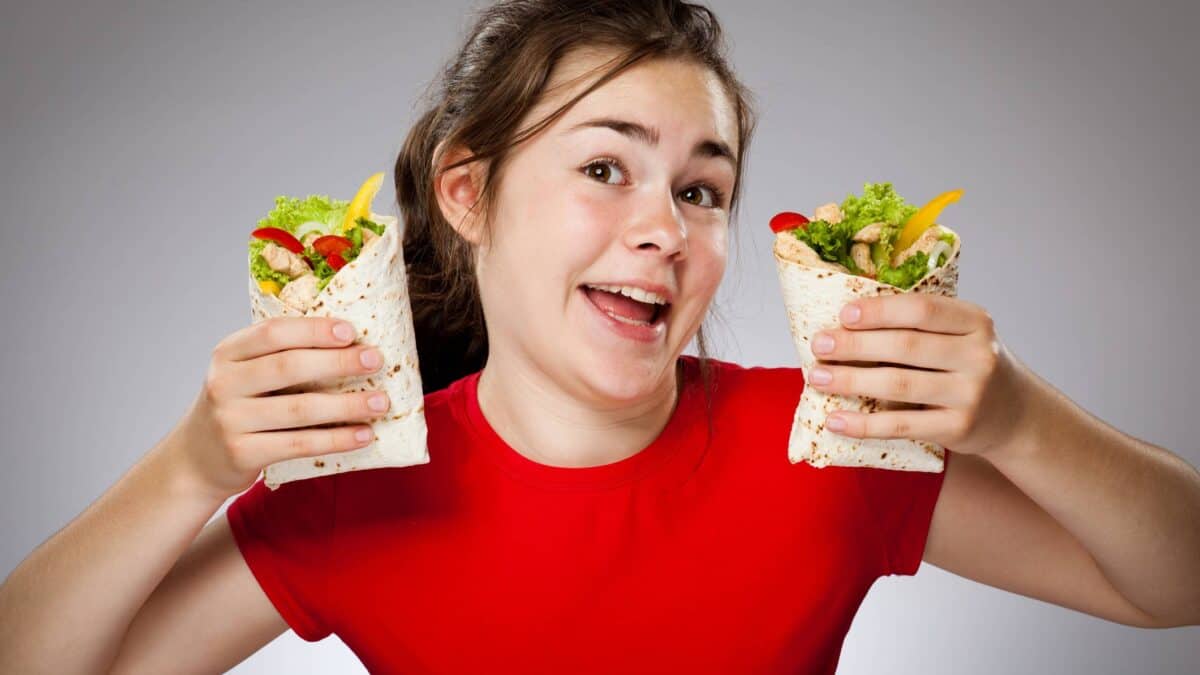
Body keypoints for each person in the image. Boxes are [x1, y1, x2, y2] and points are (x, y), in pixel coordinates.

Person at [2, 0, 1198, 673]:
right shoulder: (354, 493)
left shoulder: (825, 445)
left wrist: (1022, 421)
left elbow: (1175, 589)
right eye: (604, 167)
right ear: (468, 197)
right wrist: (189, 470)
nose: (664, 229)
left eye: (700, 189)